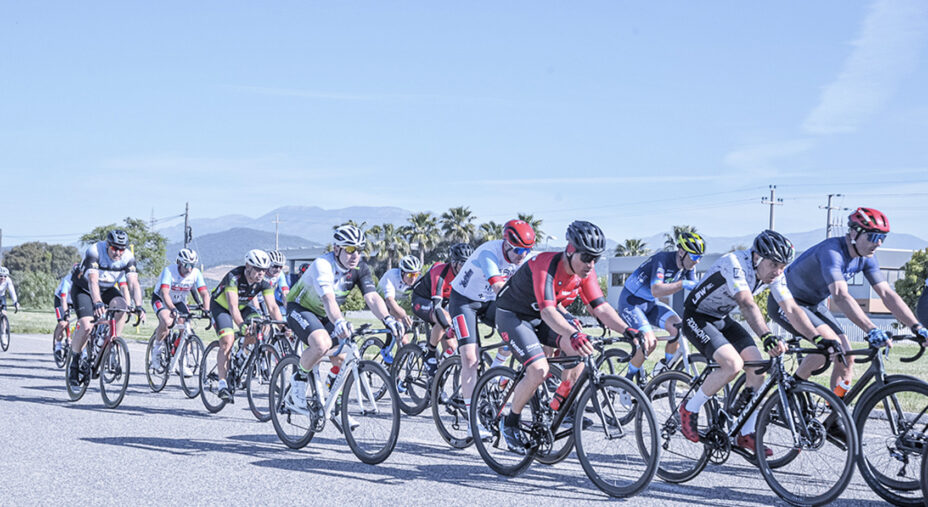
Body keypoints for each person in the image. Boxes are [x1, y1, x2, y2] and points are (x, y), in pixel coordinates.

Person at [495, 221, 650, 453]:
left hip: (539, 316)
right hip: (513, 315)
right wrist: (573, 332)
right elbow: (548, 311)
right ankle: (510, 422)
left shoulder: (585, 272)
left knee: (580, 351)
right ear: (570, 250)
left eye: (595, 258)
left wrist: (629, 331)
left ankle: (559, 406)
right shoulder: (546, 264)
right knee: (539, 370)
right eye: (586, 257)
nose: (591, 264)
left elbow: (601, 307)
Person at [678, 230, 820, 456]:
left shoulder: (774, 274)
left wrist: (818, 338)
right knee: (732, 365)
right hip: (697, 317)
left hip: (721, 318)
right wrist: (766, 335)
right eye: (773, 264)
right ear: (757, 257)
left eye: (782, 266)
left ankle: (745, 433)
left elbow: (791, 308)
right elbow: (746, 303)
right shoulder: (734, 263)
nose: (778, 271)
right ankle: (689, 408)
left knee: (758, 367)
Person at [769, 207, 928, 392]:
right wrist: (871, 329)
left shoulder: (867, 258)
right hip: (786, 302)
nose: (878, 243)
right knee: (829, 346)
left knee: (847, 357)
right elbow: (840, 296)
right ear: (853, 232)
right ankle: (788, 391)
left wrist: (917, 327)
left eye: (882, 238)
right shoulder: (832, 252)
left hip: (813, 304)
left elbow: (887, 294)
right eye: (873, 237)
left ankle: (835, 407)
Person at [284, 225, 404, 418]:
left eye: (359, 249)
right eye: (349, 249)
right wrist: (339, 321)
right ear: (337, 249)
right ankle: (299, 378)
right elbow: (328, 299)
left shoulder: (360, 268)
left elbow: (372, 297)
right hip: (301, 308)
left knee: (342, 356)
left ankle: (334, 400)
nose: (355, 255)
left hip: (327, 314)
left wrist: (388, 319)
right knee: (322, 344)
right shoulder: (323, 265)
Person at [448, 219, 536, 440]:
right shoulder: (489, 252)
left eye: (527, 251)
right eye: (518, 250)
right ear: (506, 243)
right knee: (470, 358)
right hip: (464, 301)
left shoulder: (523, 256)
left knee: (517, 326)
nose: (522, 255)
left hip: (489, 302)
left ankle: (496, 370)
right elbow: (498, 287)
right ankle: (472, 422)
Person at [617, 232, 704, 384]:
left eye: (700, 257)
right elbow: (656, 290)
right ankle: (626, 382)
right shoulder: (662, 259)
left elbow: (695, 290)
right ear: (681, 252)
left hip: (650, 304)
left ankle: (663, 372)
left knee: (678, 328)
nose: (696, 261)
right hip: (631, 303)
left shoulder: (689, 266)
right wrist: (682, 284)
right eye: (694, 256)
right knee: (650, 343)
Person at [67, 230, 145, 387]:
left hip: (107, 288)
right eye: (115, 248)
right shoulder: (95, 251)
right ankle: (74, 362)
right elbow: (92, 281)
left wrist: (139, 306)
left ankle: (112, 341)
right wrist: (97, 302)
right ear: (108, 245)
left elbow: (133, 283)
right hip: (84, 288)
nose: (118, 252)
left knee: (122, 307)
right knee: (87, 326)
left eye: (121, 249)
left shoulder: (128, 257)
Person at [210, 249, 285, 402]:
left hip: (244, 306)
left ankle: (241, 355)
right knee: (227, 341)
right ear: (248, 266)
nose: (261, 273)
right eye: (257, 269)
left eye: (264, 269)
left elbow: (272, 308)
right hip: (221, 307)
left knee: (261, 326)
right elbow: (232, 307)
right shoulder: (233, 277)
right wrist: (241, 325)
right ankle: (222, 385)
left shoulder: (264, 283)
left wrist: (283, 327)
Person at [410, 242, 472, 377]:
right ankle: (430, 353)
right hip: (422, 300)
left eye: (468, 263)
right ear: (454, 263)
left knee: (452, 348)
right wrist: (448, 327)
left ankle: (438, 379)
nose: (465, 267)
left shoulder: (467, 276)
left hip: (442, 305)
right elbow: (437, 307)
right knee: (445, 320)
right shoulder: (440, 272)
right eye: (462, 263)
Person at [149, 249, 211, 372]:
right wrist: (172, 309)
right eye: (186, 265)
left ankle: (182, 361)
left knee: (187, 328)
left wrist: (207, 310)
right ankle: (157, 351)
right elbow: (164, 293)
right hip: (161, 299)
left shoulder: (196, 273)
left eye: (192, 265)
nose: (190, 269)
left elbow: (204, 294)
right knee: (167, 321)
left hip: (178, 301)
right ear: (179, 263)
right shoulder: (169, 271)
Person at [376, 254, 422, 363]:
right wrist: (403, 315)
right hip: (382, 302)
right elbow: (390, 301)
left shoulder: (417, 279)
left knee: (403, 339)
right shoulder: (391, 276)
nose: (413, 278)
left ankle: (395, 364)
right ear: (402, 272)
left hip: (398, 303)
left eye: (416, 274)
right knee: (400, 333)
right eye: (410, 274)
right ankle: (387, 351)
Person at [53, 264, 78, 354]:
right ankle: (58, 346)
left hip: (73, 301)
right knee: (63, 323)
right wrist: (66, 313)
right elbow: (63, 299)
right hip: (60, 300)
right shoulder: (67, 281)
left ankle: (70, 339)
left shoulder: (83, 280)